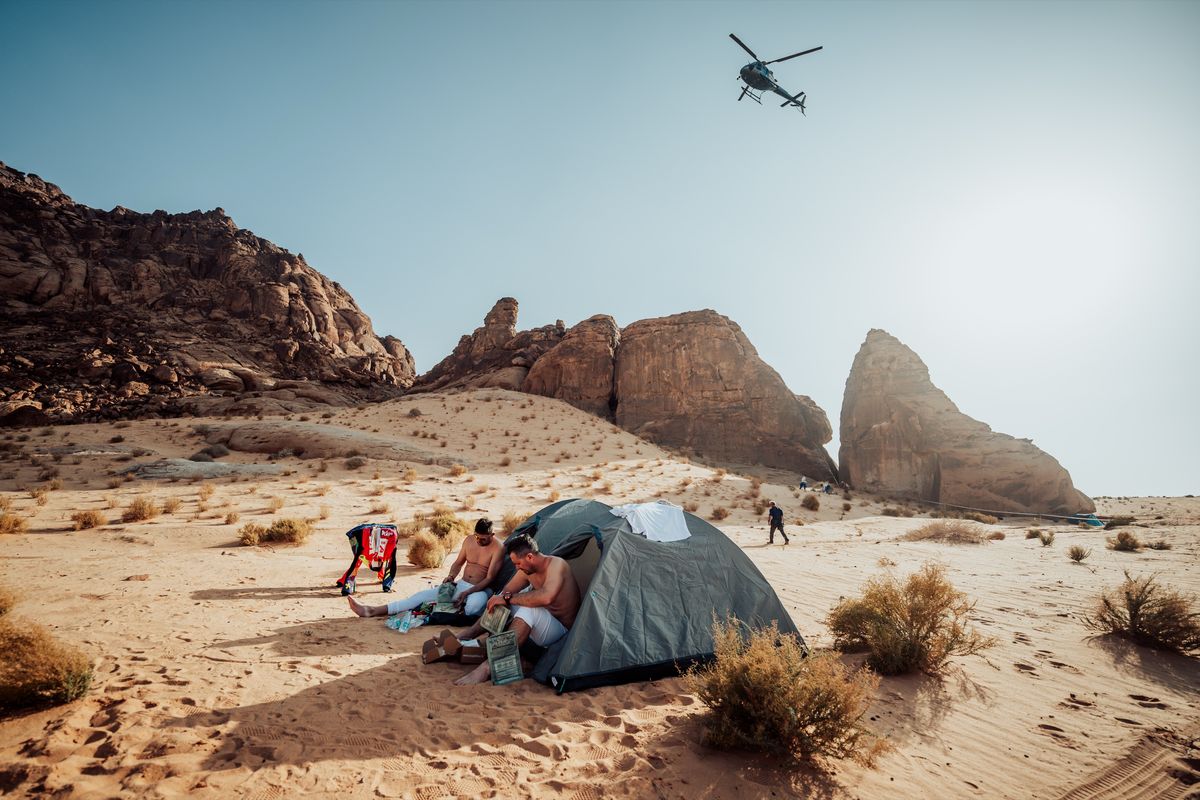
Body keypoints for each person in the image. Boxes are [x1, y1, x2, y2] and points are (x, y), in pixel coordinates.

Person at [451, 533, 581, 686]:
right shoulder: (527, 570)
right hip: (541, 626)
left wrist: (507, 598)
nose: (516, 567)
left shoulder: (557, 565)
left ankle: (487, 667)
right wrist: (500, 599)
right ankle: (467, 635)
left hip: (560, 632)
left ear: (530, 557)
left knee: (528, 610)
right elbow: (506, 592)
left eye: (518, 563)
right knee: (499, 600)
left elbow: (547, 597)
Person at [347, 518, 504, 618]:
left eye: (483, 539)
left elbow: (490, 578)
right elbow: (458, 563)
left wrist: (467, 593)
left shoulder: (498, 548)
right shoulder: (469, 540)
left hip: (480, 589)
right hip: (462, 584)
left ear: (492, 535)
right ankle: (372, 610)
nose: (479, 541)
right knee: (420, 596)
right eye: (477, 537)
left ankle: (456, 608)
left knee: (473, 608)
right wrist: (451, 577)